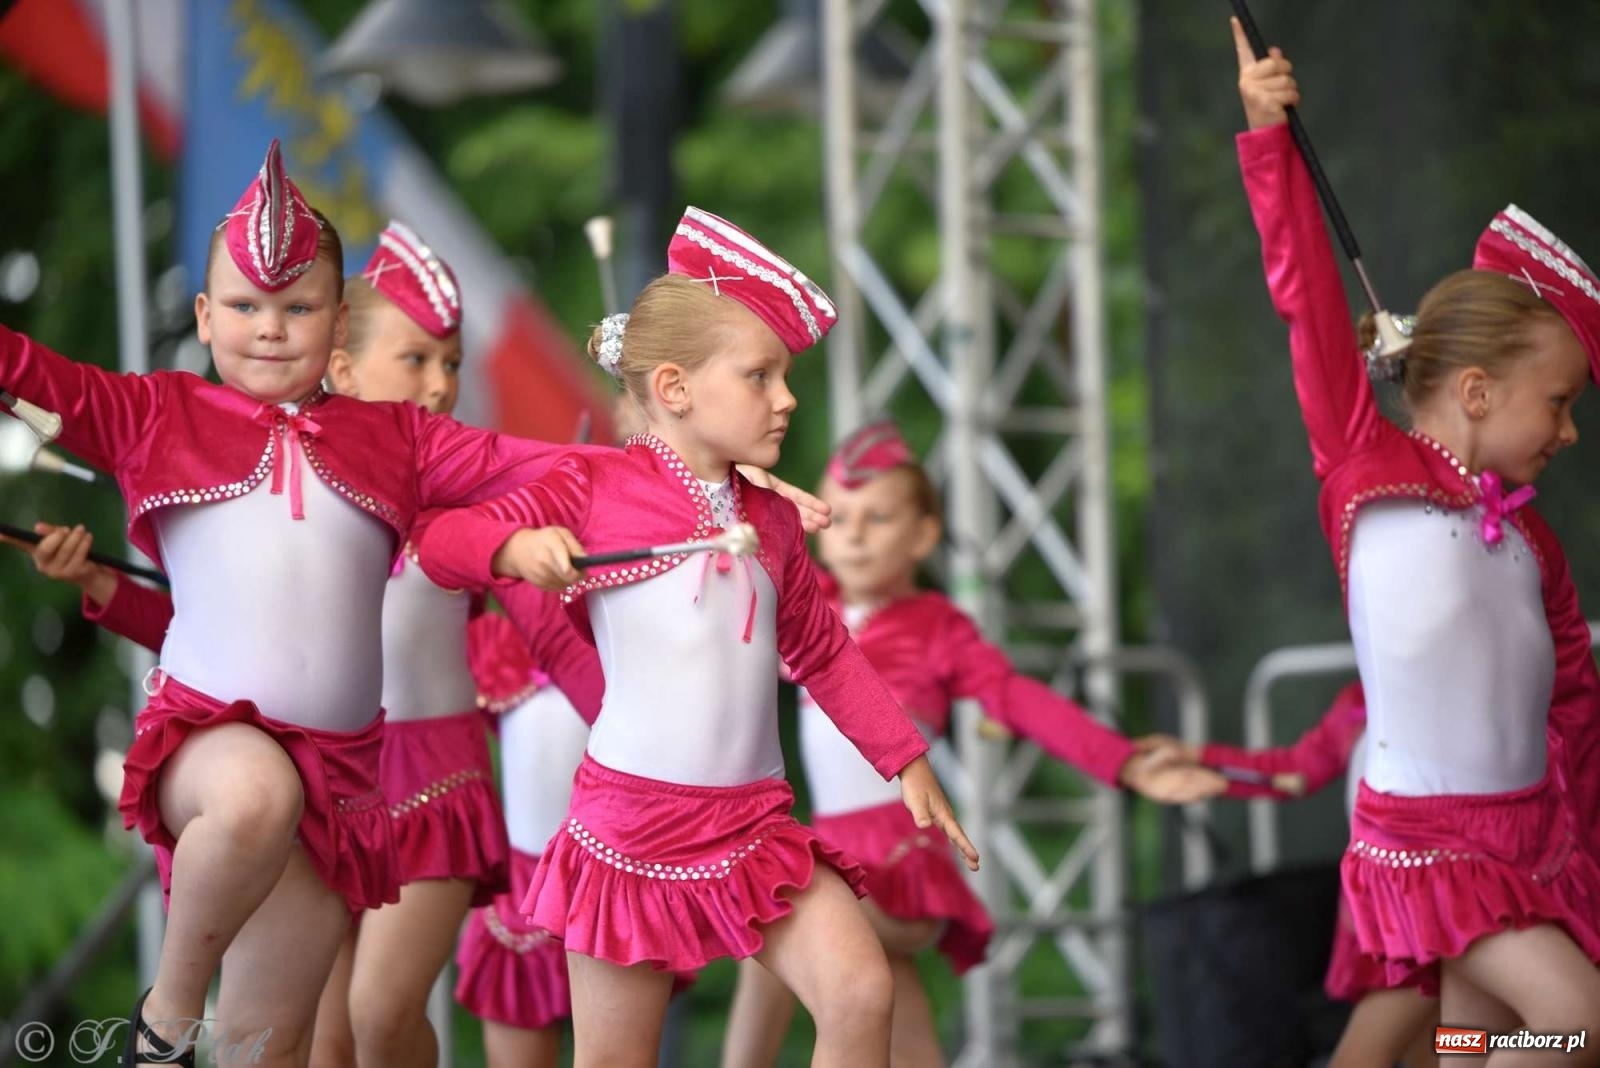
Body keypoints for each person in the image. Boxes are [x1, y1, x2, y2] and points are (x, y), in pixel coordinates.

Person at [0, 140, 618, 1068]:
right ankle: (163, 1024)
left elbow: (554, 467)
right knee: (254, 796)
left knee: (277, 1047)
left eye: (297, 307)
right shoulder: (156, 415)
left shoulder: (398, 439)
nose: (270, 326)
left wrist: (700, 475)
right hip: (210, 748)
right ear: (204, 317)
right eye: (245, 305)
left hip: (343, 784)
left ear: (336, 326)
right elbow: (29, 373)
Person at [416, 206, 978, 1068]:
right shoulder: (594, 485)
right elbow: (441, 543)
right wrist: (513, 546)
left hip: (757, 826)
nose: (787, 397)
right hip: (630, 827)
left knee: (861, 993)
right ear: (674, 389)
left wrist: (904, 757)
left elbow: (821, 650)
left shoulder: (774, 520)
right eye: (760, 376)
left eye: (785, 376)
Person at [1232, 18, 1600, 1054]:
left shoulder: (1532, 548)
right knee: (1575, 1027)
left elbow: (1574, 703)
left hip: (1527, 839)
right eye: (1559, 404)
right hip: (1427, 846)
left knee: (1467, 1044)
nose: (1568, 433)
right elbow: (1306, 298)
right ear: (1477, 391)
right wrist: (1268, 137)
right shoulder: (1365, 464)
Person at [722, 420, 1228, 1067]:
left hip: (896, 865)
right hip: (829, 849)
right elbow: (728, 570)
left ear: (924, 535)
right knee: (889, 1012)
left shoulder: (937, 629)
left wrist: (1122, 761)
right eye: (838, 514)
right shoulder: (803, 603)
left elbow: (1021, 699)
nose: (851, 532)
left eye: (877, 518)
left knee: (774, 912)